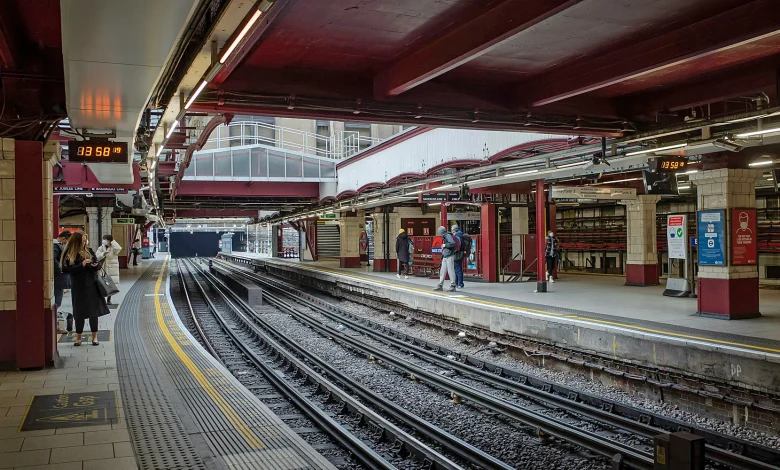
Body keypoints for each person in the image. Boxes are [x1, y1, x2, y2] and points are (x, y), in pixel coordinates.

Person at [60, 231, 109, 346]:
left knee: (93, 311)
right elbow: (66, 270)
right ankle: (78, 337)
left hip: (92, 284)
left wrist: (95, 265)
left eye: (85, 241)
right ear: (76, 241)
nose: (84, 243)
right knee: (79, 311)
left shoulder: (89, 250)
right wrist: (81, 265)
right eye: (82, 241)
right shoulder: (69, 252)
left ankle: (94, 336)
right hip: (78, 286)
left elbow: (97, 265)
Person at [53, 230, 72, 334]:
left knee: (57, 302)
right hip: (57, 279)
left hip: (58, 279)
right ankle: (55, 326)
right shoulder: (55, 246)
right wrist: (60, 269)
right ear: (64, 239)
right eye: (67, 241)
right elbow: (53, 260)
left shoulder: (57, 246)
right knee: (57, 302)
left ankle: (55, 325)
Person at [95, 234, 122, 305]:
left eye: (106, 240)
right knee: (102, 283)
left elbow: (118, 249)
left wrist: (113, 242)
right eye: (104, 239)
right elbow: (96, 256)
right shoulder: (101, 248)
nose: (104, 241)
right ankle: (102, 299)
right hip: (103, 268)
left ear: (110, 241)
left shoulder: (114, 248)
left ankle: (109, 299)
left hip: (112, 268)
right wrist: (103, 254)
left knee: (110, 284)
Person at [433, 226, 458, 292]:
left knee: (450, 270)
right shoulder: (445, 235)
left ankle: (453, 285)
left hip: (449, 255)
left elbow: (452, 243)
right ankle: (440, 285)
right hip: (446, 255)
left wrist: (445, 245)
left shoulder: (447, 235)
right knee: (443, 271)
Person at [451, 225, 465, 289]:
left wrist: (453, 251)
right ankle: (457, 283)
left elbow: (457, 246)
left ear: (454, 230)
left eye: (452, 229)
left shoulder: (457, 236)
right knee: (457, 268)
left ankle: (460, 283)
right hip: (460, 253)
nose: (451, 230)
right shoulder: (460, 234)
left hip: (457, 254)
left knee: (458, 269)